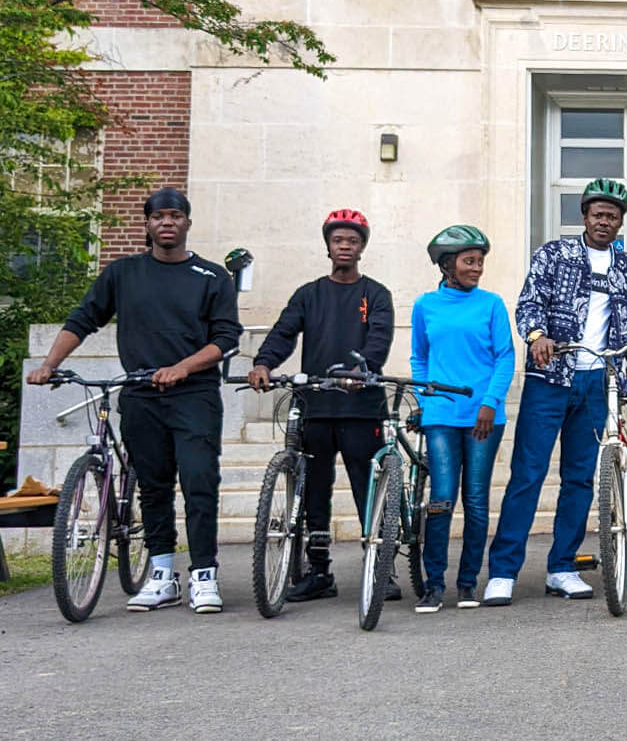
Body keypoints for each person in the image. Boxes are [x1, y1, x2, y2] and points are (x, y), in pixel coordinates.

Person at [28, 188, 241, 613]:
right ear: (146, 224)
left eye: (175, 216)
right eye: (159, 216)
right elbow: (84, 319)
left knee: (199, 481)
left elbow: (226, 339)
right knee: (153, 485)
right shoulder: (123, 273)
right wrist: (48, 364)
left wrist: (183, 367)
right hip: (141, 394)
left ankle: (204, 574)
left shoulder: (213, 277)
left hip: (194, 395)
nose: (167, 222)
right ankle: (162, 574)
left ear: (187, 224)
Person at [483, 179, 627, 606]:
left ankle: (562, 568)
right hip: (550, 380)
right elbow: (528, 304)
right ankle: (503, 571)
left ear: (620, 222)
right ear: (584, 216)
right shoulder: (554, 255)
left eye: (613, 216)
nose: (605, 221)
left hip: (599, 383)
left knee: (579, 479)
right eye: (598, 214)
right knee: (527, 475)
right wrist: (537, 335)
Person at [248, 208, 395, 602]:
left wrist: (359, 368)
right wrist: (264, 362)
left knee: (369, 486)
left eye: (352, 240)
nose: (344, 246)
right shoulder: (308, 294)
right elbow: (283, 332)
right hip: (315, 405)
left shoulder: (376, 294)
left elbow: (379, 341)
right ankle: (318, 570)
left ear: (362, 247)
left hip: (361, 407)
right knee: (315, 488)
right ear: (328, 245)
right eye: (338, 240)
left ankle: (381, 566)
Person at [410, 226, 514, 613]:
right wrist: (425, 397)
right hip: (441, 415)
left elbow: (504, 356)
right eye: (469, 261)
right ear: (447, 265)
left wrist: (490, 403)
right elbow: (419, 357)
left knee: (475, 499)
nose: (477, 268)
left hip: (484, 415)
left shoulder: (491, 304)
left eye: (480, 261)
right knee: (441, 498)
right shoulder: (425, 305)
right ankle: (433, 585)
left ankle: (468, 583)